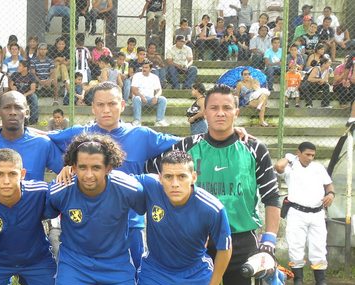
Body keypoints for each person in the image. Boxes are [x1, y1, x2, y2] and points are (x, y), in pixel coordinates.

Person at [147, 85, 280, 285]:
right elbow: (151, 170)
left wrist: (269, 240)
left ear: (237, 112)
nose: (220, 113)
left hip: (241, 241)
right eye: (214, 108)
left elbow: (271, 196)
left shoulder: (254, 148)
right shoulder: (186, 146)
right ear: (205, 112)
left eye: (227, 108)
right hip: (195, 242)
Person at [44, 134, 147, 284]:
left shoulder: (128, 188)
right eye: (82, 167)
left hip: (116, 264)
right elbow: (48, 212)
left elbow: (144, 206)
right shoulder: (59, 191)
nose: (89, 175)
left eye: (96, 168)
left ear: (108, 168)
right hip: (75, 265)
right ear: (73, 168)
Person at [136, 150, 232, 285]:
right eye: (168, 177)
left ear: (193, 177)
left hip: (195, 273)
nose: (175, 183)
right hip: (155, 270)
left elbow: (225, 248)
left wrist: (214, 283)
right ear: (160, 177)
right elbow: (116, 183)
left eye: (182, 176)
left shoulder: (212, 208)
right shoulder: (149, 185)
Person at [0, 148, 57, 284]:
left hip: (37, 260)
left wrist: (69, 169)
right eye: (0, 174)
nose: (6, 181)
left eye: (12, 174)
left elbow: (66, 194)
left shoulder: (41, 192)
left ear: (22, 174)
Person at [274, 142, 334, 285]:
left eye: (313, 155)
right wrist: (289, 157)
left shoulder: (318, 168)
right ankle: (298, 280)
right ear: (298, 153)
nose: (310, 158)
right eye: (307, 154)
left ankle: (320, 280)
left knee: (319, 246)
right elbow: (278, 167)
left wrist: (331, 194)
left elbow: (328, 184)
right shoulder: (290, 168)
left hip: (317, 212)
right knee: (296, 246)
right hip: (297, 212)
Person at [0, 91, 63, 185]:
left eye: (18, 108)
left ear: (27, 112)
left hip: (33, 200)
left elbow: (67, 172)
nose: (12, 112)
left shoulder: (43, 143)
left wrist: (47, 192)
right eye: (7, 108)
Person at [131, 60, 168, 127]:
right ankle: (137, 121)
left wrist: (156, 96)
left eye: (146, 67)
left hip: (151, 99)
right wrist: (141, 96)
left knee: (163, 99)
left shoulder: (155, 77)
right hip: (139, 99)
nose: (144, 69)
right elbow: (134, 90)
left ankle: (159, 121)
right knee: (136, 98)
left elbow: (159, 90)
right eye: (143, 67)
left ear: (150, 69)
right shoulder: (137, 75)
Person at [10, 60, 39, 125]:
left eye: (20, 66)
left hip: (27, 94)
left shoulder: (31, 76)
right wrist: (12, 87)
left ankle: (33, 120)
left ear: (25, 68)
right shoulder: (15, 74)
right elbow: (11, 84)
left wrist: (25, 95)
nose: (18, 67)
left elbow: (33, 89)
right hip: (16, 94)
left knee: (34, 97)